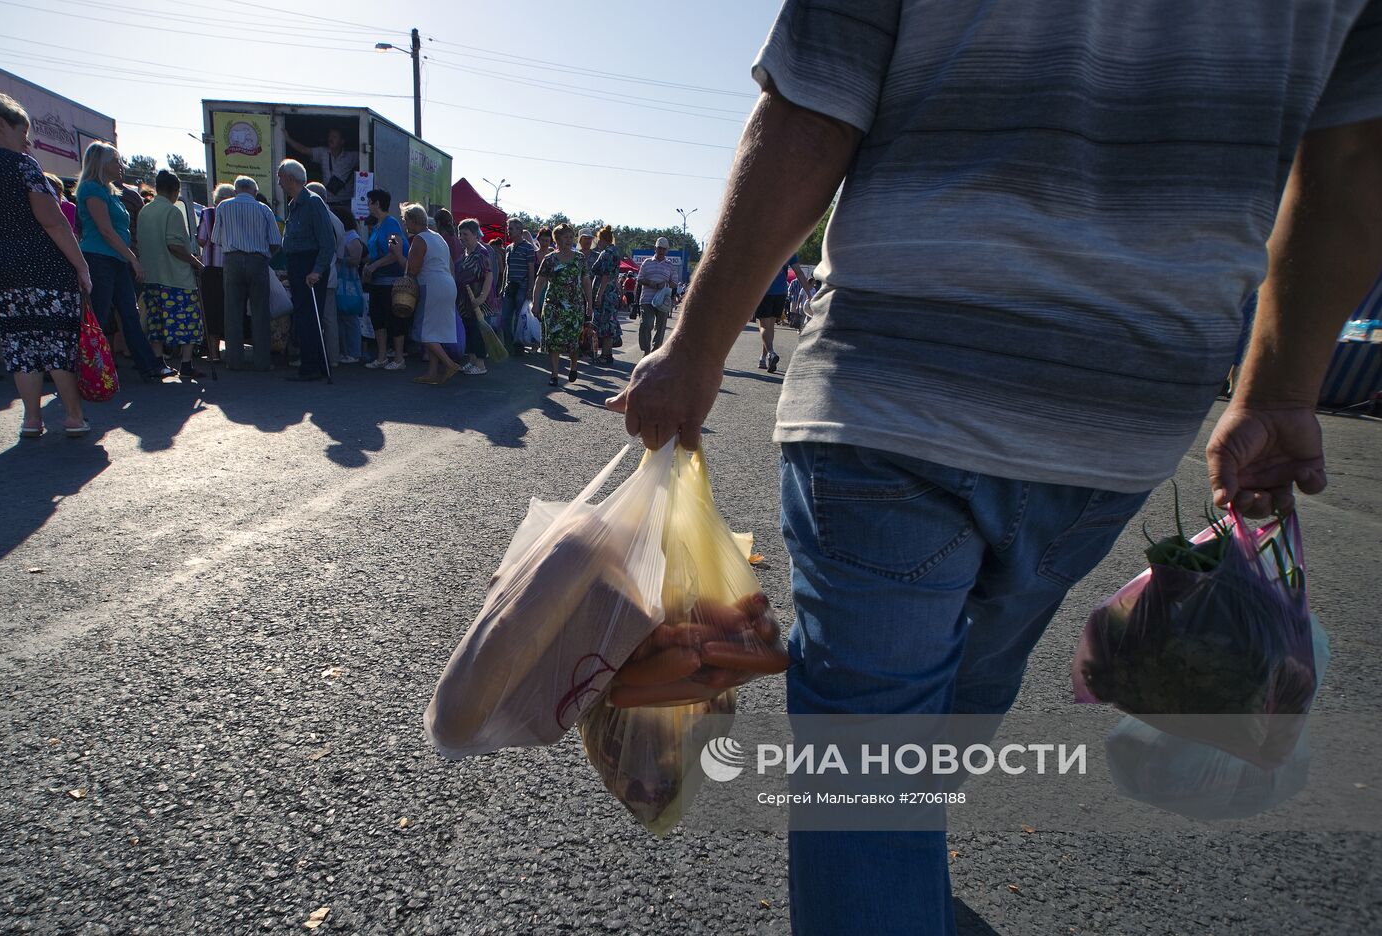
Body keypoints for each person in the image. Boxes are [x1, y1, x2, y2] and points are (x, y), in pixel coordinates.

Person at [604, 1, 1382, 933]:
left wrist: (694, 351)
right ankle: (903, 881)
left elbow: (813, 108)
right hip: (1117, 416)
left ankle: (890, 881)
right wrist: (1279, 391)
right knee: (959, 699)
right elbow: (1353, 159)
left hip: (898, 390)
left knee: (870, 769)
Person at [0, 89, 92, 436]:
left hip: (1, 270)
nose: (27, 144)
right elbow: (53, 221)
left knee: (20, 343)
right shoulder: (20, 165)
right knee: (57, 340)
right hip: (45, 266)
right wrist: (80, 265)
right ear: (1, 124)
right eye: (22, 134)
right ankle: (73, 416)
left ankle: (32, 419)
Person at [75, 141, 172, 382]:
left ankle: (148, 366)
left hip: (116, 259)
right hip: (99, 259)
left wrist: (128, 259)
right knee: (97, 314)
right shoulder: (91, 189)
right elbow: (106, 231)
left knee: (130, 313)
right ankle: (87, 368)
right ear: (101, 164)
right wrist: (134, 260)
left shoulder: (111, 191)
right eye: (116, 161)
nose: (121, 165)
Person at [136, 169, 205, 377]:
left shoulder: (145, 211)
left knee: (156, 321)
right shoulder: (172, 211)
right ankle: (186, 363)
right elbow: (174, 244)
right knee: (188, 321)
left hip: (152, 275)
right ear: (175, 191)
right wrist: (195, 262)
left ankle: (159, 362)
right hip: (175, 277)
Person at [212, 175, 282, 371]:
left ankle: (234, 361)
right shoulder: (264, 209)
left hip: (232, 260)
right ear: (255, 191)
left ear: (235, 191)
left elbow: (216, 238)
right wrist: (265, 255)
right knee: (260, 311)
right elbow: (276, 241)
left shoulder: (223, 207)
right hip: (258, 260)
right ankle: (262, 362)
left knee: (232, 311)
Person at [276, 158, 335, 381]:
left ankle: (311, 366)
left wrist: (317, 270)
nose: (279, 183)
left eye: (280, 177)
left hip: (309, 264)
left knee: (310, 316)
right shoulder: (295, 204)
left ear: (290, 178)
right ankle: (317, 363)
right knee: (304, 315)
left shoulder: (313, 202)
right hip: (297, 263)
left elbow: (327, 242)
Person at [395, 202, 461, 384]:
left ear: (413, 220)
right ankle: (432, 372)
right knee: (435, 331)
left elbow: (413, 269)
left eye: (405, 220)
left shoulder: (419, 239)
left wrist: (398, 255)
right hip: (447, 285)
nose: (404, 224)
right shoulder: (438, 237)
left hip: (432, 286)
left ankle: (449, 364)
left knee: (424, 331)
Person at [531, 222, 591, 387]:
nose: (569, 240)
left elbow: (586, 282)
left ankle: (573, 366)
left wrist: (590, 304)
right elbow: (540, 282)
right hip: (553, 306)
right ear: (556, 239)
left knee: (573, 340)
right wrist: (536, 303)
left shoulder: (579, 258)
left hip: (574, 306)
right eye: (565, 237)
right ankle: (555, 374)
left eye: (571, 237)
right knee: (554, 340)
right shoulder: (549, 259)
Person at [361, 188, 408, 370]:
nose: (368, 205)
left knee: (394, 319)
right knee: (378, 319)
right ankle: (381, 357)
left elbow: (394, 253)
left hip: (391, 281)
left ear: (377, 203)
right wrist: (368, 265)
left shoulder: (391, 224)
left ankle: (398, 358)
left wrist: (375, 265)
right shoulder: (378, 225)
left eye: (370, 202)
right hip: (377, 281)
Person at [195, 182, 235, 363]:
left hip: (211, 267)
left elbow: (202, 239)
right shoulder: (236, 213)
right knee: (231, 308)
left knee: (212, 310)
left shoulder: (208, 213)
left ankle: (214, 353)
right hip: (232, 266)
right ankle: (234, 351)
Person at [306, 182, 345, 365]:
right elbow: (341, 252)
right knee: (330, 320)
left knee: (312, 318)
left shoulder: (314, 215)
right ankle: (333, 358)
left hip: (315, 273)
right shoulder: (337, 220)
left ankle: (312, 358)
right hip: (331, 274)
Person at [755, 254, 810, 372]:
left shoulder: (763, 245)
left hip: (764, 290)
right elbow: (799, 272)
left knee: (764, 325)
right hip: (781, 292)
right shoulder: (789, 247)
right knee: (770, 326)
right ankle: (763, 358)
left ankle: (770, 353)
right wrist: (809, 294)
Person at [453, 218, 493, 375]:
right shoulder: (465, 252)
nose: (462, 237)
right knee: (468, 330)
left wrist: (481, 298)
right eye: (460, 234)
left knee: (478, 332)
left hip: (479, 300)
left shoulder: (481, 252)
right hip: (465, 300)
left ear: (475, 235)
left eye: (465, 234)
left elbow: (488, 276)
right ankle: (472, 361)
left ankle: (481, 364)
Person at [284, 127, 356, 207]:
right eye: (330, 136)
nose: (330, 139)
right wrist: (288, 139)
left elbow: (367, 157)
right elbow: (303, 149)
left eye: (334, 137)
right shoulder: (323, 153)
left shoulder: (351, 157)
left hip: (346, 202)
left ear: (342, 141)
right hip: (328, 202)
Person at [331, 206, 365, 364]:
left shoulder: (352, 237)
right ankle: (346, 351)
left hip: (348, 282)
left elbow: (356, 259)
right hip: (342, 282)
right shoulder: (345, 235)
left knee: (350, 318)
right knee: (341, 317)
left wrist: (339, 260)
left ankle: (354, 352)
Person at [635, 236, 678, 354]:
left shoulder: (670, 265)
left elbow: (674, 283)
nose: (661, 251)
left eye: (664, 249)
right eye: (659, 248)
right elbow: (639, 279)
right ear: (655, 248)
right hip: (647, 299)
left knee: (660, 327)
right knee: (646, 324)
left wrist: (665, 284)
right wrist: (650, 282)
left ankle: (655, 352)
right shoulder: (647, 262)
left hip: (663, 301)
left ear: (667, 250)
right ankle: (646, 350)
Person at [589, 225, 625, 365]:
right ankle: (606, 354)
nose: (597, 243)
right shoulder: (615, 252)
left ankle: (606, 355)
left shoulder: (607, 253)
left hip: (605, 293)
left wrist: (598, 295)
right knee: (609, 322)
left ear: (602, 239)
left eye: (598, 239)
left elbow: (605, 275)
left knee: (606, 323)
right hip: (611, 291)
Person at [501, 218, 538, 353]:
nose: (508, 231)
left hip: (522, 287)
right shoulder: (509, 248)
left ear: (519, 230)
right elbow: (507, 268)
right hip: (509, 287)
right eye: (508, 228)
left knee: (519, 318)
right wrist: (502, 287)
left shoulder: (528, 247)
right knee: (504, 318)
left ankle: (518, 346)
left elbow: (531, 270)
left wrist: (530, 289)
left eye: (511, 228)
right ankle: (510, 344)